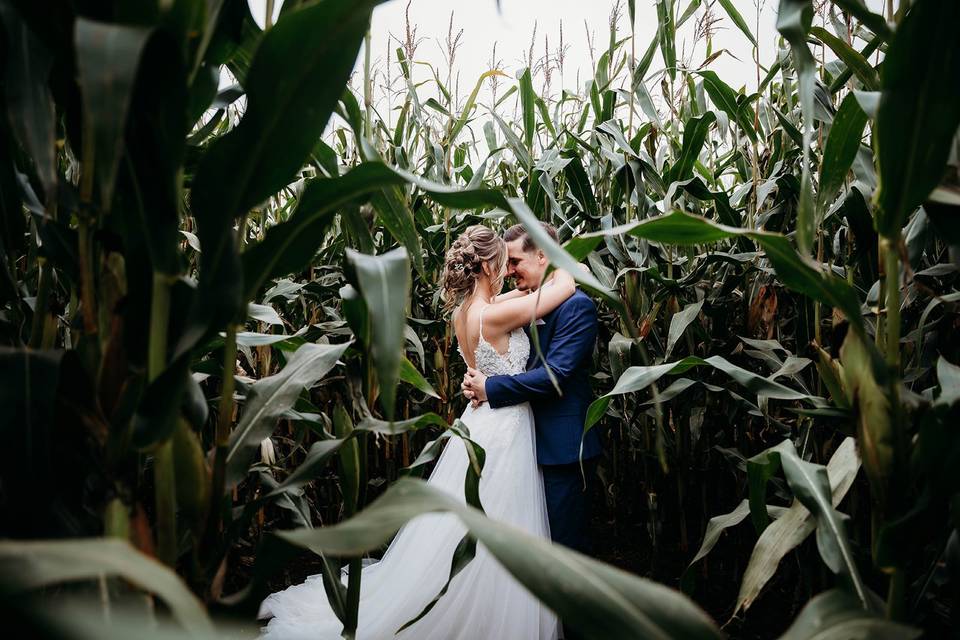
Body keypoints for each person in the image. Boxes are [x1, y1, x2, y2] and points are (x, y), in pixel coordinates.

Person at [258, 225, 576, 640]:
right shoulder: (496, 313)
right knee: (502, 520)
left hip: (479, 422)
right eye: (503, 261)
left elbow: (516, 299)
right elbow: (562, 288)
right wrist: (562, 260)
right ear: (486, 266)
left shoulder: (468, 312)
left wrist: (526, 279)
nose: (507, 269)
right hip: (505, 429)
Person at [461, 222, 602, 557]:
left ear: (542, 255)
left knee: (562, 549)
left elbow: (556, 375)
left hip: (562, 449)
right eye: (505, 264)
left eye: (514, 262)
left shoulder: (576, 307)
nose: (508, 272)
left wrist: (490, 387)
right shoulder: (528, 302)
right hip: (520, 445)